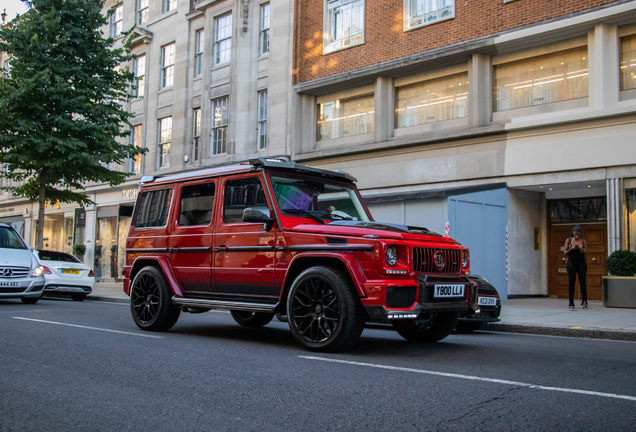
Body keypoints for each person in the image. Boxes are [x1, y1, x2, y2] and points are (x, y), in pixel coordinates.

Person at [564, 225, 588, 310]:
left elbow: (586, 251)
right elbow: (565, 252)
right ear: (573, 233)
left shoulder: (583, 241)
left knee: (582, 281)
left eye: (578, 234)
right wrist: (571, 248)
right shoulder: (569, 240)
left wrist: (581, 249)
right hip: (571, 261)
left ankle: (584, 301)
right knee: (571, 281)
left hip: (581, 261)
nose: (577, 236)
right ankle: (571, 303)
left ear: (581, 234)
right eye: (575, 234)